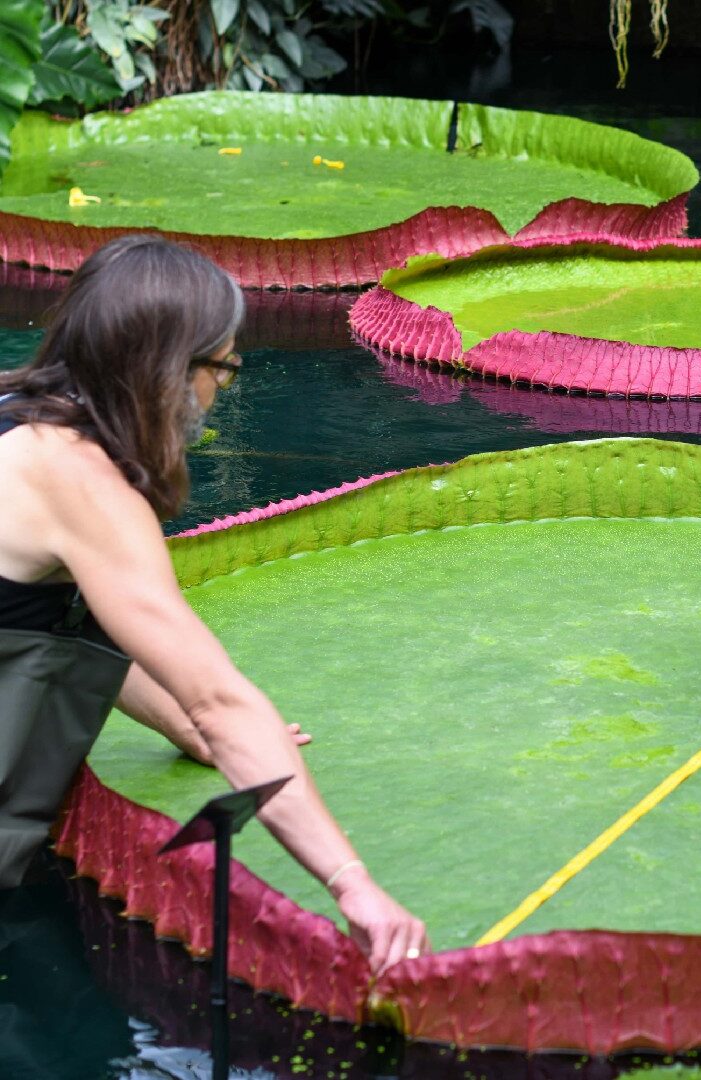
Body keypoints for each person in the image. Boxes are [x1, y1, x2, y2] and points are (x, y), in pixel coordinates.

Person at [0, 234, 428, 972]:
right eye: (223, 367)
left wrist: (179, 727)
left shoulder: (16, 414)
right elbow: (222, 704)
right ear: (168, 369)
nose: (221, 390)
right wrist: (352, 884)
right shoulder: (81, 485)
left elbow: (58, 623)